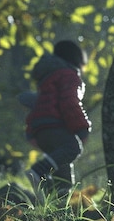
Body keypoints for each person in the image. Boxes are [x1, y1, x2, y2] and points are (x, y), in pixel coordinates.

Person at [21, 40, 92, 198]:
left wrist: (31, 133)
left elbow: (38, 104)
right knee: (73, 148)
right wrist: (82, 127)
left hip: (41, 129)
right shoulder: (69, 75)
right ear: (77, 59)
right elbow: (69, 102)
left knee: (63, 167)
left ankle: (58, 203)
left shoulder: (48, 78)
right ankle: (38, 171)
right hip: (55, 126)